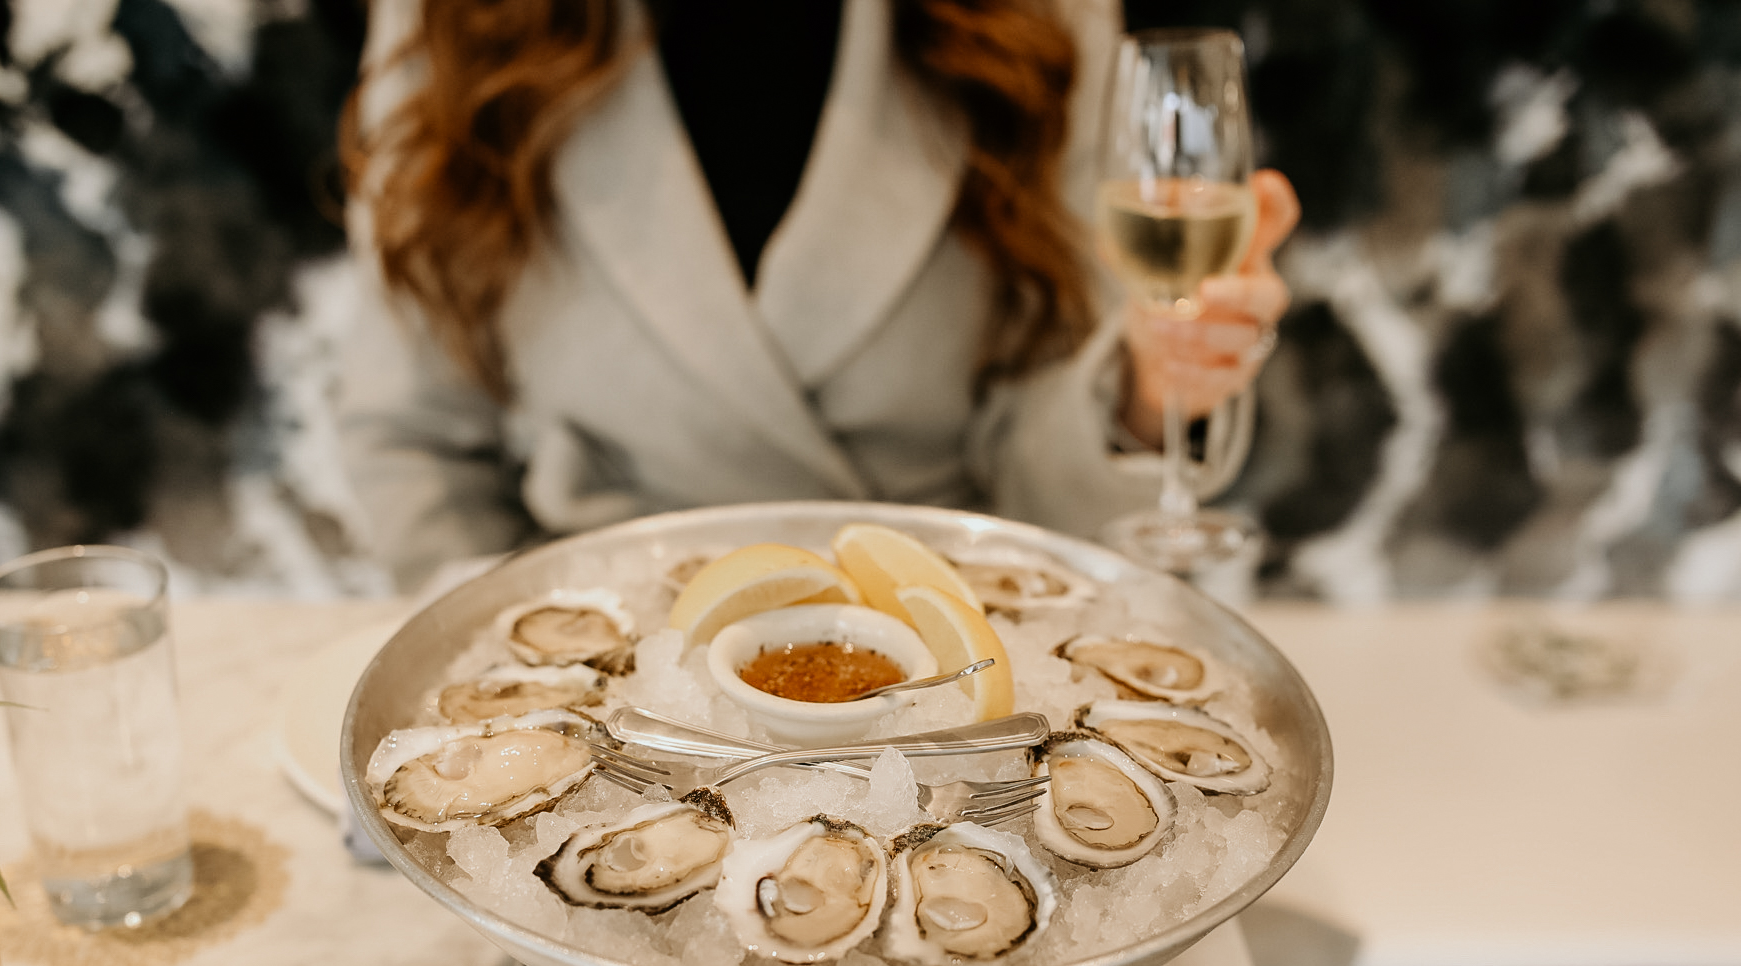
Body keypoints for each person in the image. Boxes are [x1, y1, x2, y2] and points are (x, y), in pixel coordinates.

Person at [337, 0, 1299, 589]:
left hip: (953, 666)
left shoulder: (1043, 15)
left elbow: (1037, 453)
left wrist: (1141, 394)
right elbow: (410, 439)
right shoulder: (454, 19)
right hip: (612, 695)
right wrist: (517, 678)